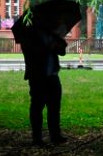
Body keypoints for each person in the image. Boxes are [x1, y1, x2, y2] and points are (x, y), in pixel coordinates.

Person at [15, 12, 69, 145]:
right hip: (37, 77)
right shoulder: (28, 35)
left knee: (54, 107)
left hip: (52, 75)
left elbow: (62, 51)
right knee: (37, 107)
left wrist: (59, 41)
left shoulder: (51, 32)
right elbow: (30, 53)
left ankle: (55, 136)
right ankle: (37, 138)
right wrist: (47, 47)